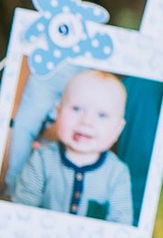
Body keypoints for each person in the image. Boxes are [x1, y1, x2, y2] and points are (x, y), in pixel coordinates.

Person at [8, 63, 136, 226]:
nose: (86, 121)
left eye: (102, 115)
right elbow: (21, 209)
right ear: (58, 112)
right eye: (76, 109)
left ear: (117, 129)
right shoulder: (42, 159)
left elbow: (121, 225)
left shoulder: (117, 173)